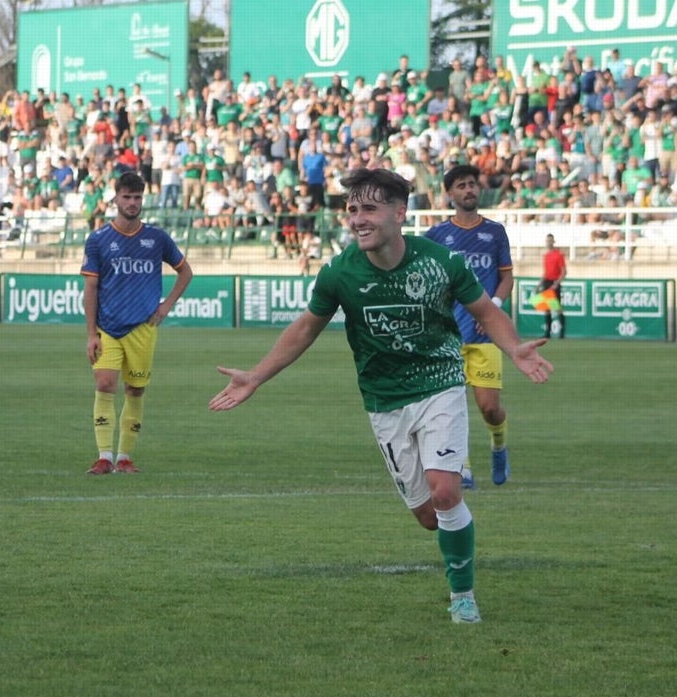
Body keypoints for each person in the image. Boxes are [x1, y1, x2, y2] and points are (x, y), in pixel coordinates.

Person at [209, 168, 553, 625]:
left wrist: (513, 349)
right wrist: (256, 376)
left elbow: (485, 311)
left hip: (440, 384)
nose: (357, 219)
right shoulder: (339, 272)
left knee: (446, 492)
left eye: (368, 208)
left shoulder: (441, 262)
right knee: (429, 516)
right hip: (384, 400)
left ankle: (463, 595)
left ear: (399, 212)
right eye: (352, 210)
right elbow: (306, 328)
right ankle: (455, 552)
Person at [82, 171, 194, 476]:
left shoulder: (156, 238)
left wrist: (167, 305)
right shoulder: (99, 240)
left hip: (143, 328)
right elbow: (90, 288)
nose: (132, 203)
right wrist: (91, 333)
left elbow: (185, 272)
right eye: (127, 197)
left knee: (135, 389)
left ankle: (125, 456)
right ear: (115, 198)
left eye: (137, 197)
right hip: (107, 327)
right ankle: (104, 455)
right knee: (105, 384)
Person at [424, 163, 515, 489]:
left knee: (489, 408)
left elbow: (506, 277)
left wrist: (493, 309)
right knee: (451, 408)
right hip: (447, 335)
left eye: (473, 184)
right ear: (450, 193)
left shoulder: (494, 232)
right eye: (461, 185)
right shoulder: (436, 236)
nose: (469, 190)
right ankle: (461, 468)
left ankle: (499, 445)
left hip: (484, 334)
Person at [540, 233, 567, 338]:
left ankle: (562, 333)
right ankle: (547, 333)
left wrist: (557, 283)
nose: (549, 243)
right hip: (547, 282)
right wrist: (539, 284)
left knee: (557, 307)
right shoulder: (546, 256)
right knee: (546, 307)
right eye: (547, 241)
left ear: (553, 242)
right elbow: (546, 272)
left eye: (550, 240)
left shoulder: (559, 255)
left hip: (554, 283)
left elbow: (564, 272)